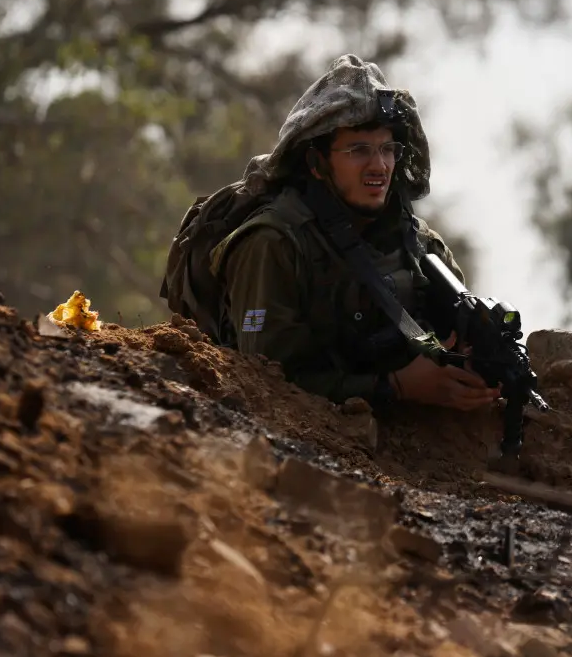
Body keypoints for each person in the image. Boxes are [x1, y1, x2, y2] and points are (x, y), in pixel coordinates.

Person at [207, 54, 501, 412]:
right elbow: (261, 382)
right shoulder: (273, 244)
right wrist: (396, 387)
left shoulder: (421, 247)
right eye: (358, 150)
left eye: (387, 149)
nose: (378, 166)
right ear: (317, 164)